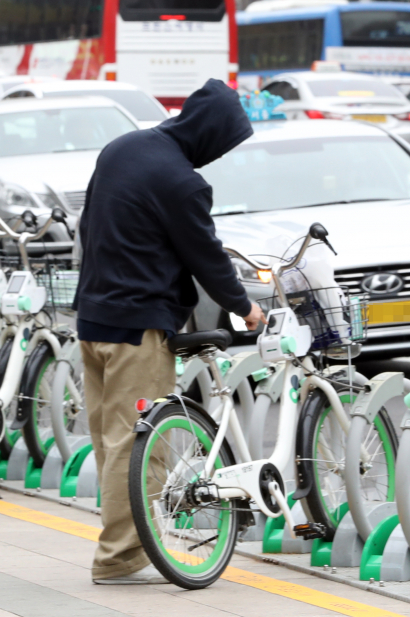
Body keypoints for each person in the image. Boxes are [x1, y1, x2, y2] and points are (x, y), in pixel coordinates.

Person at [73, 79, 267, 584]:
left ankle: (119, 547)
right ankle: (117, 558)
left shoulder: (123, 148)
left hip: (92, 320)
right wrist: (244, 307)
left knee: (109, 443)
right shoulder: (182, 182)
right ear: (210, 134)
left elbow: (87, 225)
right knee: (138, 448)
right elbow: (206, 255)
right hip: (137, 328)